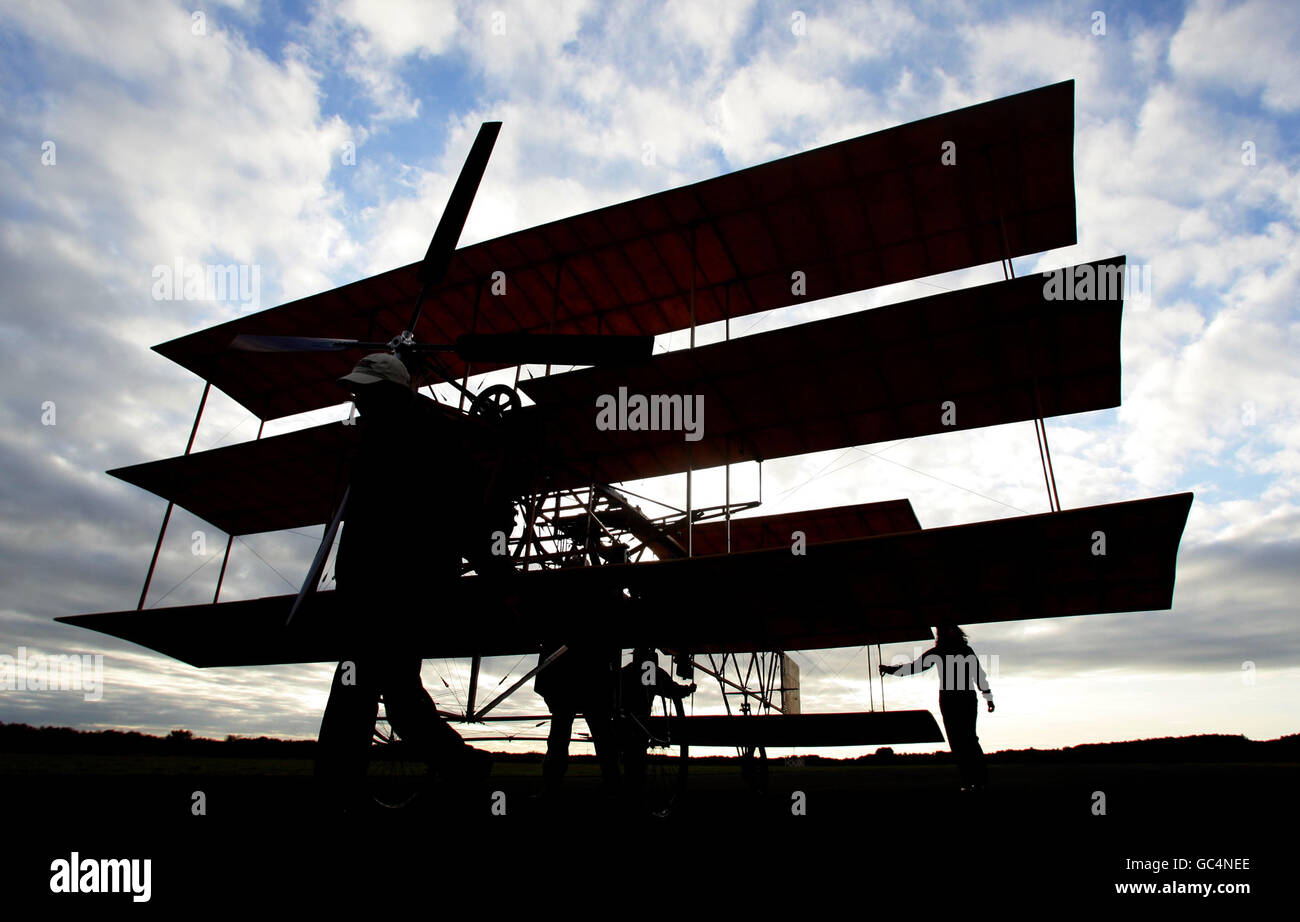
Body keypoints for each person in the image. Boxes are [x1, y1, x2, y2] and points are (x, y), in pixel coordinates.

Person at [315, 352, 492, 810]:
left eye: (366, 390)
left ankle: (336, 790)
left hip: (405, 587)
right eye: (356, 390)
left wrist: (489, 561)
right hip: (373, 586)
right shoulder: (377, 436)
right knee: (394, 691)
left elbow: (472, 499)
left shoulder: (432, 433)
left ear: (392, 390)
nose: (358, 398)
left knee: (363, 687)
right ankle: (461, 764)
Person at [880, 625, 994, 791]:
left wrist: (988, 695)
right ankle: (972, 781)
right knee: (962, 741)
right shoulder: (952, 651)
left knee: (965, 740)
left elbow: (977, 673)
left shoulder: (952, 651)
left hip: (958, 699)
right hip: (956, 699)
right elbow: (916, 666)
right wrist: (891, 670)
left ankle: (975, 781)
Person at [533, 641, 620, 797]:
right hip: (591, 685)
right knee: (602, 737)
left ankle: (552, 785)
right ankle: (612, 783)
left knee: (560, 737)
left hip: (575, 686)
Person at [618, 647, 696, 792]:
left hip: (626, 721)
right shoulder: (653, 673)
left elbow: (670, 688)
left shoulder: (624, 673)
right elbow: (671, 689)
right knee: (637, 759)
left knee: (631, 759)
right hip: (640, 721)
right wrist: (687, 690)